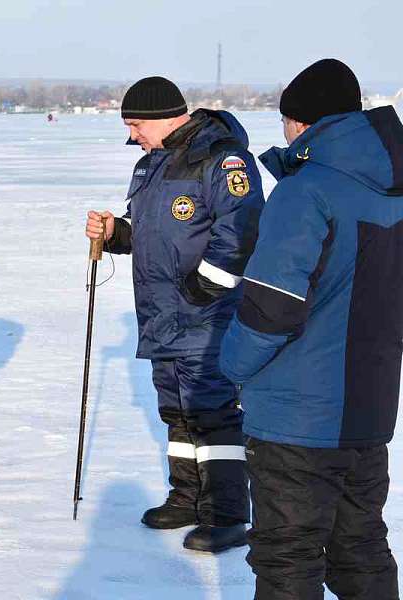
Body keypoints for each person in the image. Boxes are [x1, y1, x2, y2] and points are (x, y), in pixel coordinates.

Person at [220, 59, 403, 599]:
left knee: (288, 559)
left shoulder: (306, 193)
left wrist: (231, 367)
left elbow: (270, 309)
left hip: (295, 419)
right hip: (368, 412)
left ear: (301, 124)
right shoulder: (393, 190)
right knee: (361, 549)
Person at [85, 76, 264, 552]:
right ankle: (187, 497)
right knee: (178, 413)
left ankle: (227, 513)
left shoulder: (221, 159)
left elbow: (242, 229)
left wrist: (205, 287)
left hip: (208, 317)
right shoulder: (151, 166)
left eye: (136, 125)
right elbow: (152, 234)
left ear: (166, 117)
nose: (132, 137)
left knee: (213, 412)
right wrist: (115, 233)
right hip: (163, 315)